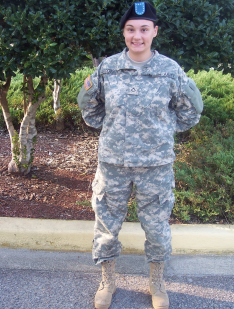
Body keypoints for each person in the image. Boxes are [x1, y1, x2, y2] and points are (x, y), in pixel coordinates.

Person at [77, 2, 203, 309]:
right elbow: (89, 107)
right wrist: (111, 129)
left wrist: (162, 132)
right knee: (106, 226)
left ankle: (157, 283)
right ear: (124, 32)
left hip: (155, 167)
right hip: (113, 165)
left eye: (144, 29)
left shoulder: (170, 71)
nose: (137, 36)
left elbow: (191, 111)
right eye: (131, 29)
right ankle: (107, 281)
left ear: (155, 32)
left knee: (157, 229)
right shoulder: (107, 68)